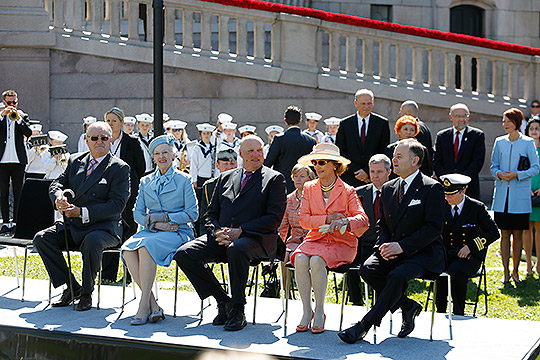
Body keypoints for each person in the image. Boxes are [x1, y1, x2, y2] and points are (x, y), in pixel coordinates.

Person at [174, 135, 287, 332]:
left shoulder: (274, 179)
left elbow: (274, 218)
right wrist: (217, 231)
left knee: (237, 249)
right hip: (223, 237)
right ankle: (223, 300)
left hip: (256, 239)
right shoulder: (226, 177)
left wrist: (241, 231)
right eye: (250, 151)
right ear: (241, 154)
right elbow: (210, 214)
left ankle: (238, 309)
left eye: (259, 150)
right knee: (184, 254)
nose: (256, 154)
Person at [338, 138, 445, 344]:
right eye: (394, 156)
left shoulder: (431, 188)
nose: (394, 160)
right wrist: (384, 246)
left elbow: (434, 227)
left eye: (399, 156)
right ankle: (407, 306)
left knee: (397, 276)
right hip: (393, 249)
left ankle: (364, 325)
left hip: (423, 252)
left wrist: (402, 247)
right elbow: (382, 224)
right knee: (367, 270)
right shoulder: (388, 188)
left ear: (415, 161)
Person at [32, 122, 130, 311]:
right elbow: (56, 184)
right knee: (42, 239)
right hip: (73, 225)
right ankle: (72, 287)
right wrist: (59, 198)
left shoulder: (119, 167)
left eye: (104, 138)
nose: (99, 141)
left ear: (111, 140)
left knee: (92, 241)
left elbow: (117, 205)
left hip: (104, 228)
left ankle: (86, 292)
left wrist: (82, 212)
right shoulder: (75, 160)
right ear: (86, 140)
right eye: (94, 138)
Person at [122, 134, 198, 325]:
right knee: (127, 249)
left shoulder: (184, 180)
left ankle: (143, 306)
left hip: (178, 232)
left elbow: (192, 213)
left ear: (173, 154)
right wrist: (155, 223)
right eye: (157, 153)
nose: (161, 157)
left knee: (146, 246)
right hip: (152, 231)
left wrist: (165, 219)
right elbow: (137, 212)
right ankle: (153, 305)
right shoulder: (145, 181)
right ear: (152, 157)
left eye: (165, 152)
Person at [292, 143, 369, 333]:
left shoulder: (348, 190)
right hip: (315, 239)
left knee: (317, 261)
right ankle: (306, 310)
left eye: (322, 162)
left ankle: (319, 311)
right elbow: (304, 221)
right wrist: (327, 218)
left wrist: (345, 221)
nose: (317, 166)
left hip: (341, 243)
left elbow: (363, 219)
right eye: (315, 162)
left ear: (335, 165)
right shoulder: (309, 188)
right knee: (300, 258)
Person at [435, 174, 499, 315]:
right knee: (438, 268)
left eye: (451, 194)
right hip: (447, 254)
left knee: (457, 270)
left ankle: (458, 312)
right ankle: (440, 311)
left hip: (469, 256)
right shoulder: (440, 206)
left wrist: (471, 247)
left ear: (463, 191)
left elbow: (493, 233)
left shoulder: (476, 208)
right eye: (446, 194)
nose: (447, 197)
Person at [491, 108, 540, 284]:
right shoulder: (499, 142)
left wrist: (517, 175)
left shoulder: (528, 143)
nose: (505, 124)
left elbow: (535, 168)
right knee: (504, 234)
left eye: (508, 121)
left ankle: (515, 271)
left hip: (520, 197)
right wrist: (499, 174)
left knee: (518, 234)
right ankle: (505, 271)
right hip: (502, 195)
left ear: (517, 123)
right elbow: (493, 166)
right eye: (503, 121)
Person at [101, 107, 146, 283]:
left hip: (127, 194)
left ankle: (128, 275)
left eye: (114, 121)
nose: (110, 124)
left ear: (121, 122)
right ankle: (107, 275)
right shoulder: (101, 140)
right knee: (108, 231)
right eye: (108, 121)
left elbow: (140, 167)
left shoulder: (132, 142)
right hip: (106, 194)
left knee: (128, 232)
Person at [347, 154, 392, 305]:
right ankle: (356, 302)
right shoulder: (358, 193)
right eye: (372, 172)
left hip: (386, 244)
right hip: (362, 242)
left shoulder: (397, 192)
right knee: (348, 258)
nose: (375, 176)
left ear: (389, 172)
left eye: (379, 172)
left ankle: (379, 304)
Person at [335, 89, 390, 187]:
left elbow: (383, 150)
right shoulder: (345, 124)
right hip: (350, 178)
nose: (366, 107)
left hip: (373, 178)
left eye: (369, 103)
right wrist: (356, 171)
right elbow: (340, 151)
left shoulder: (382, 123)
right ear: (356, 103)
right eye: (363, 104)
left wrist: (367, 171)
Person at [277, 163, 315, 296]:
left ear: (310, 179)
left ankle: (309, 293)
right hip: (294, 240)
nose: (298, 179)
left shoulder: (316, 198)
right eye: (295, 176)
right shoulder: (289, 200)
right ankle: (285, 293)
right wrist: (277, 247)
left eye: (302, 176)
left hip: (313, 239)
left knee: (305, 256)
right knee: (284, 254)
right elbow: (283, 227)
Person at [433, 103, 485, 200]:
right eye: (458, 116)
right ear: (451, 117)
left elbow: (477, 161)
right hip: (446, 186)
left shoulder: (477, 135)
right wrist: (446, 180)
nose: (462, 119)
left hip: (468, 187)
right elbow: (436, 160)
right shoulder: (442, 136)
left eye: (465, 116)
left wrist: (462, 180)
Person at [0, 90, 32, 234]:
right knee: (3, 192)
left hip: (18, 160)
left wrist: (18, 119)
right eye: (9, 102)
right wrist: (2, 116)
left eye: (14, 102)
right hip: (2, 160)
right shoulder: (0, 117)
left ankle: (18, 222)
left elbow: (29, 133)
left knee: (19, 192)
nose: (11, 105)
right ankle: (6, 222)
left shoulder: (23, 116)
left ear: (17, 102)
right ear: (4, 103)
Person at [264, 106, 317, 193]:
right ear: (300, 120)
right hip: (305, 187)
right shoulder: (311, 140)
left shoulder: (279, 139)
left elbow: (268, 163)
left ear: (285, 121)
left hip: (283, 185)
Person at [199, 147, 238, 236]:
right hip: (214, 232)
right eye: (225, 164)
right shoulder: (209, 186)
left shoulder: (243, 184)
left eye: (232, 163)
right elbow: (204, 218)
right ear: (217, 165)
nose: (229, 167)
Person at [524, 117, 540, 276]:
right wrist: (526, 188)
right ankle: (528, 264)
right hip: (525, 193)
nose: (534, 131)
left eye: (537, 128)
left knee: (539, 230)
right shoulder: (525, 149)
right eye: (532, 128)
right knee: (526, 230)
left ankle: (539, 264)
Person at [190, 123, 217, 188]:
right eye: (204, 133)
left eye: (208, 133)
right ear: (200, 134)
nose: (206, 135)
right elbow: (193, 164)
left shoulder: (214, 148)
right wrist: (194, 179)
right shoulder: (197, 147)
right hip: (200, 177)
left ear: (211, 134)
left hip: (211, 177)